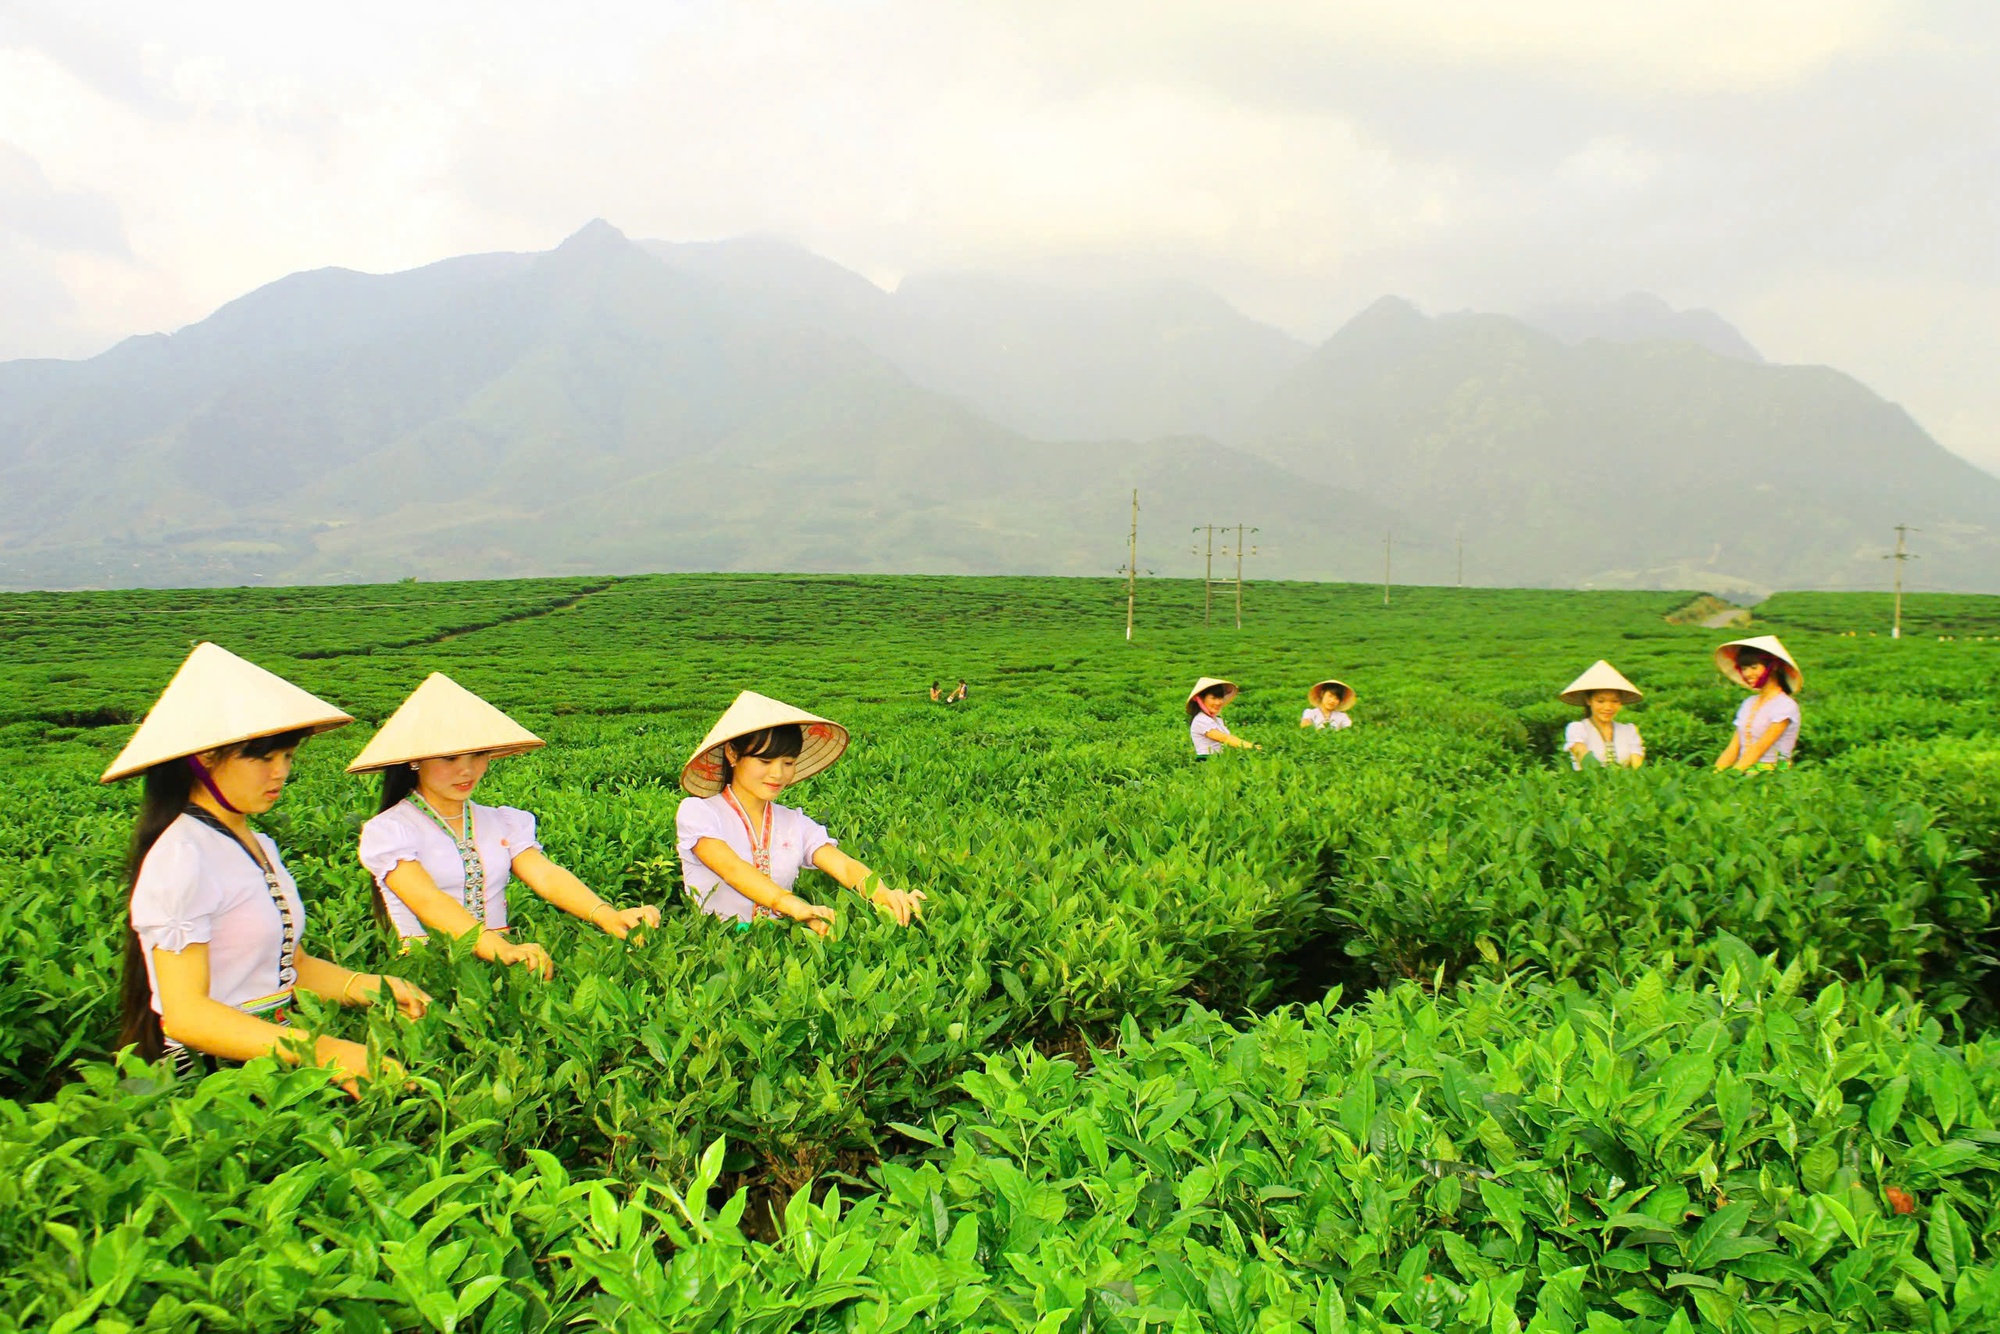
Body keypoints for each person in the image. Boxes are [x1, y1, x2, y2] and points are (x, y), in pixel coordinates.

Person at [106, 642, 430, 1090]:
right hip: (213, 1079)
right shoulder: (182, 853)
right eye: (262, 758)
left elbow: (289, 967)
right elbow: (186, 1015)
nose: (280, 772)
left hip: (275, 1056)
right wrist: (330, 1053)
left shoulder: (258, 844)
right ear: (203, 759)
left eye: (287, 756)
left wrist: (373, 986)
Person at [350, 673, 661, 977]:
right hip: (427, 971)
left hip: (500, 970)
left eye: (478, 754)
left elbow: (545, 875)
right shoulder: (391, 830)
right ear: (414, 760)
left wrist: (607, 915)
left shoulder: (500, 821)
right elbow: (427, 899)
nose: (467, 770)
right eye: (449, 759)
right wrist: (499, 949)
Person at [676, 691, 926, 935]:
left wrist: (884, 894)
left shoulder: (794, 822)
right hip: (715, 947)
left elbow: (844, 866)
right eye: (765, 761)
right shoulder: (699, 812)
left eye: (788, 763)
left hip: (776, 945)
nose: (778, 774)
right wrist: (794, 906)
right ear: (733, 754)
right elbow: (732, 868)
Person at [1713, 635, 1803, 771]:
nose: (1748, 673)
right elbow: (1733, 748)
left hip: (1772, 775)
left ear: (1773, 667)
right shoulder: (1749, 703)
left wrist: (1733, 775)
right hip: (1744, 772)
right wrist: (1715, 773)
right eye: (1744, 668)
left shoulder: (1785, 705)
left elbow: (1760, 747)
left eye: (1754, 667)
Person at [1557, 660, 1645, 769]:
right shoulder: (1577, 729)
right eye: (1600, 701)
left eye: (1615, 701)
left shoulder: (1629, 731)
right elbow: (1584, 760)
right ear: (1588, 700)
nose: (1608, 707)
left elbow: (1637, 766)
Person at [1188, 678, 1259, 758]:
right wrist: (1252, 747)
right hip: (1208, 760)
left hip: (1221, 759)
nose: (1218, 702)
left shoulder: (1217, 720)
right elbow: (1224, 738)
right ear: (1201, 699)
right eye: (1213, 698)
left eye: (1220, 698)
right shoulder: (1200, 720)